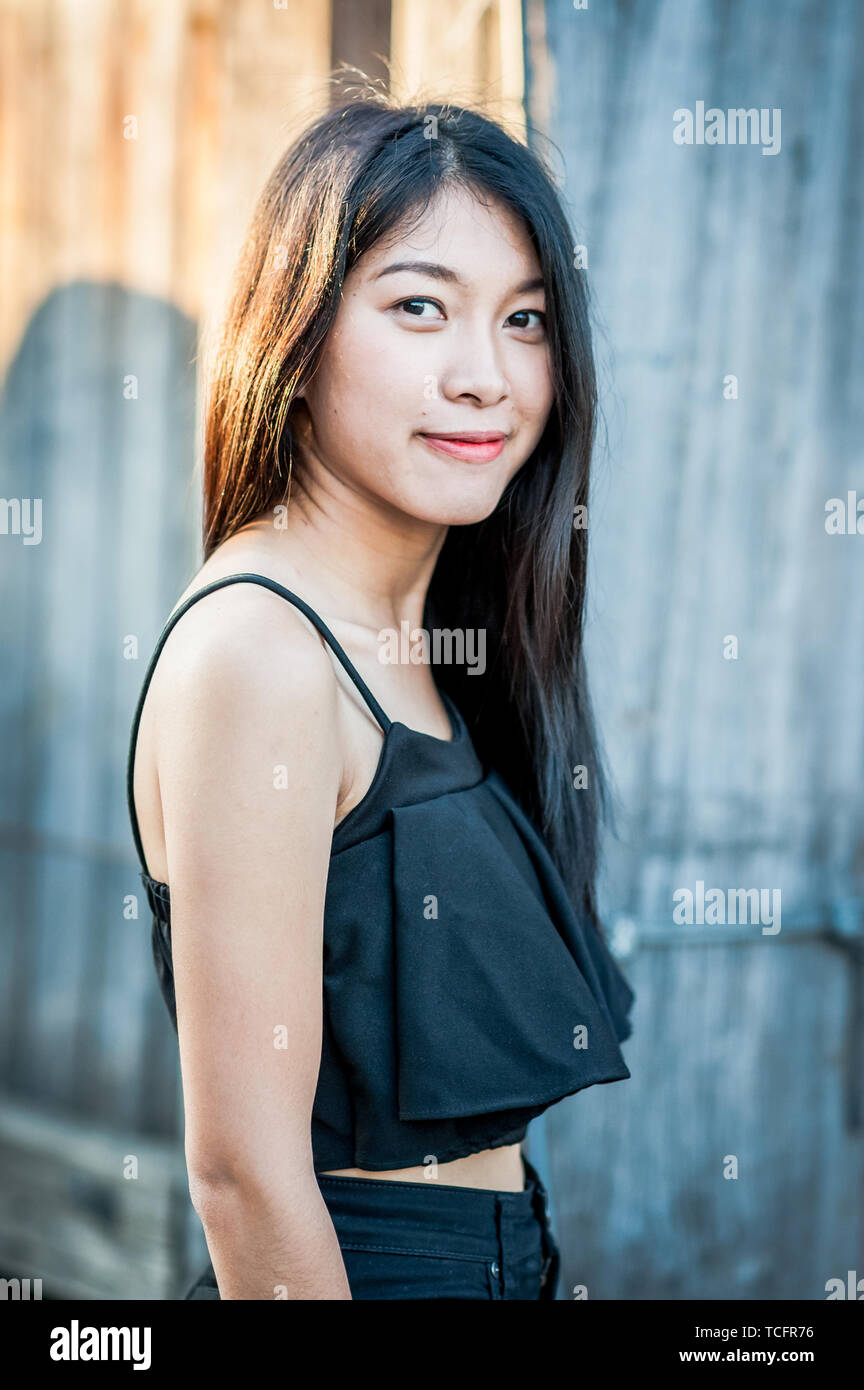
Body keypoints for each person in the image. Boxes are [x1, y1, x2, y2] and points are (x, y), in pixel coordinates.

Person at [126, 88, 635, 1301]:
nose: (486, 377)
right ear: (293, 343)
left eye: (525, 320)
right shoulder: (262, 651)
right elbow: (245, 1175)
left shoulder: (440, 642)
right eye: (421, 307)